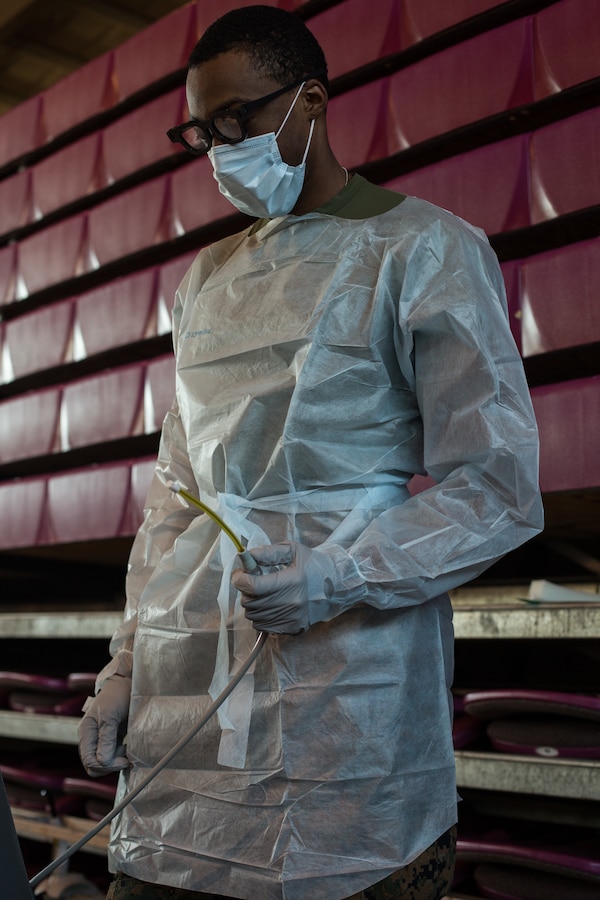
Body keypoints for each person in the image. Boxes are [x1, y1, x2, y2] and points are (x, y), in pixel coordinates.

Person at [78, 6, 544, 899]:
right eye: (200, 131)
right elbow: (178, 497)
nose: (219, 148)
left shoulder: (426, 250)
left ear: (310, 102)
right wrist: (128, 665)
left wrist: (342, 572)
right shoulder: (207, 283)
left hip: (349, 698)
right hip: (190, 710)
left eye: (237, 120)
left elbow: (494, 486)